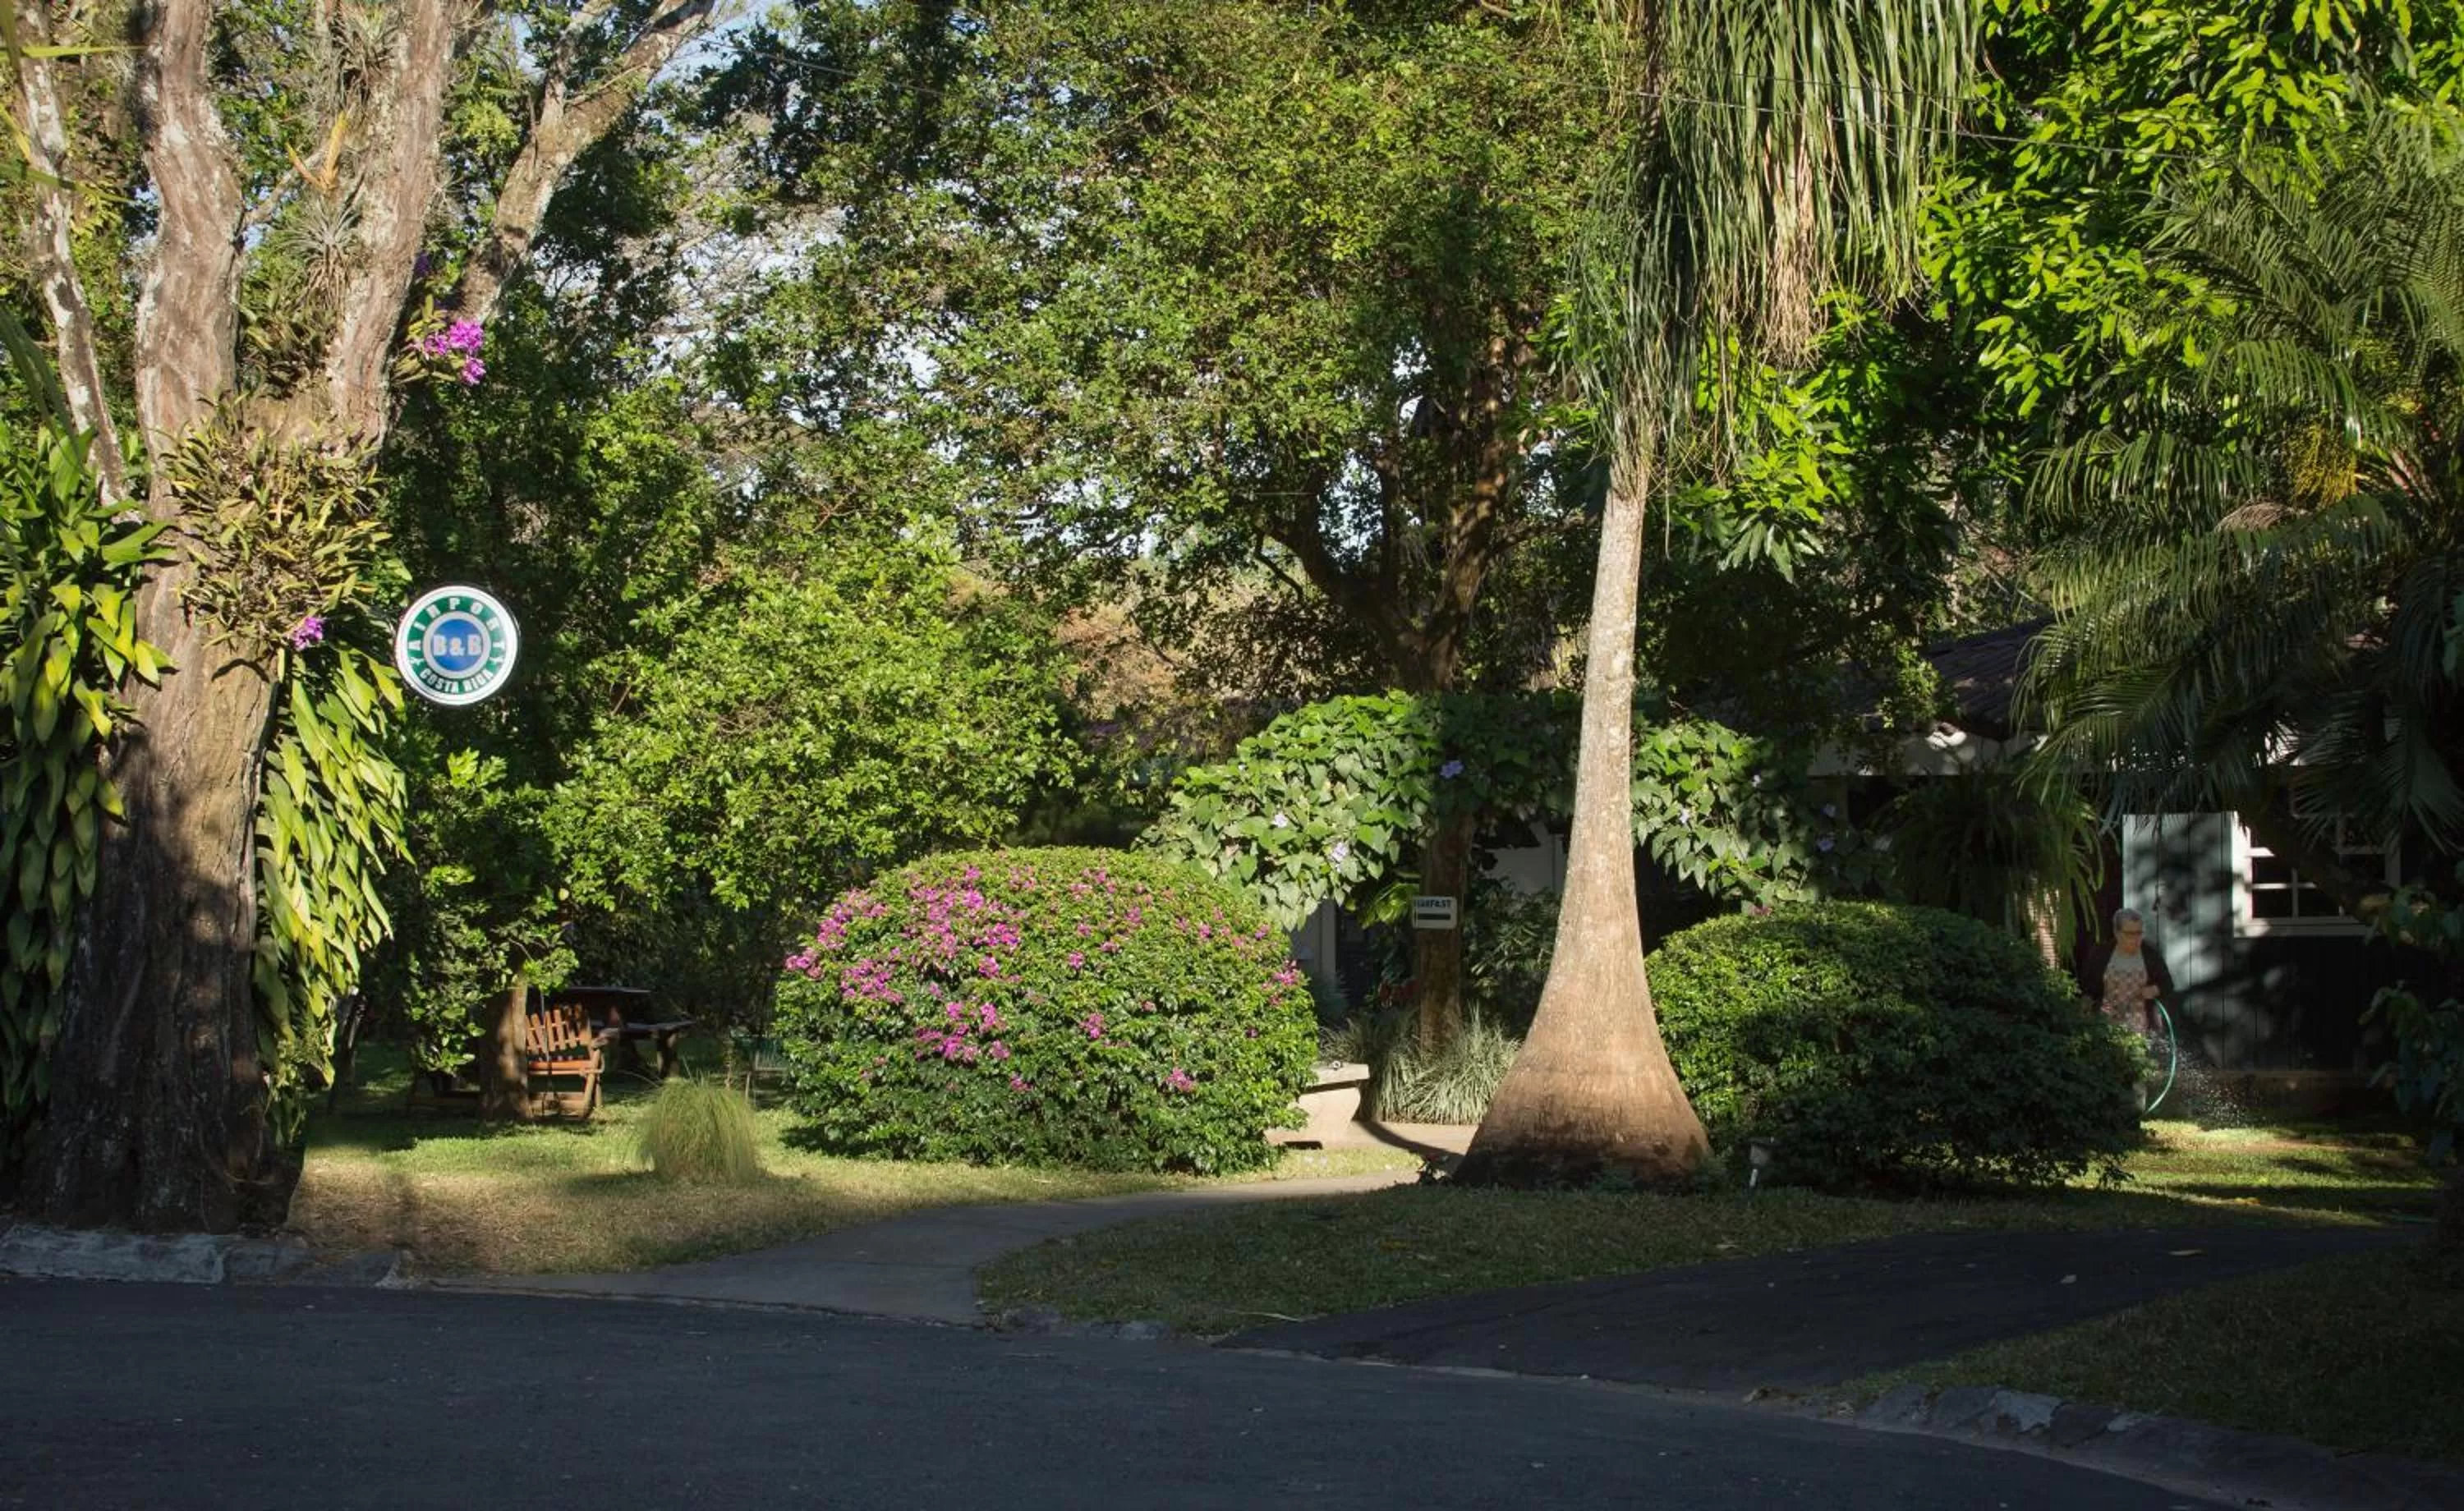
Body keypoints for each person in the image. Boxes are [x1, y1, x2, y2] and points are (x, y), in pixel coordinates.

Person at [2074, 907, 2177, 1036]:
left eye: (2139, 933)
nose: (2136, 939)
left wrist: (2154, 990)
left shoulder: (2151, 955)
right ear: (2117, 933)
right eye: (2130, 934)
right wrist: (2085, 1007)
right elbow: (2087, 989)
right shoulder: (2101, 955)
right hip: (2105, 1029)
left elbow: (2167, 985)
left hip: (2143, 1031)